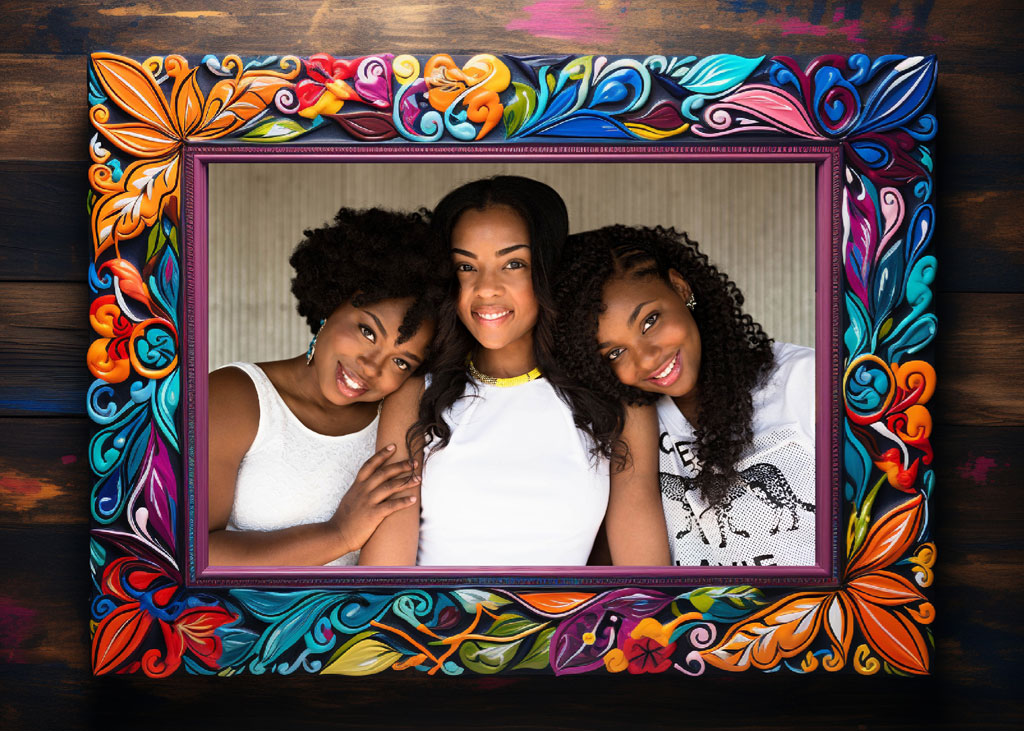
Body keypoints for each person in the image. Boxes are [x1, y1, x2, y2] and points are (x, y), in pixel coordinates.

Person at [359, 177, 669, 566]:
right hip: (430, 623)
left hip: (573, 626)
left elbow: (644, 578)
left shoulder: (616, 399)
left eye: (513, 263)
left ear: (546, 268)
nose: (487, 288)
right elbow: (385, 574)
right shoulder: (415, 395)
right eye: (467, 266)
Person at [554, 225, 816, 567]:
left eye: (649, 322)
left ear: (680, 288)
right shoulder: (625, 426)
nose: (647, 358)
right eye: (615, 353)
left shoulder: (810, 381)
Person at [208, 207, 444, 566]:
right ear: (331, 304)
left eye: (401, 361)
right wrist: (340, 534)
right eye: (367, 331)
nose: (370, 366)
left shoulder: (398, 420)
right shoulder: (235, 396)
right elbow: (190, 556)